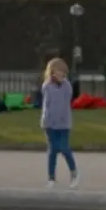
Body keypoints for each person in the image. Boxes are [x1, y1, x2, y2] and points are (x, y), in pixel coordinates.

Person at [40, 58, 79, 189]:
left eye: (63, 72)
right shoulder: (47, 87)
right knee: (52, 151)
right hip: (50, 124)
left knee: (64, 148)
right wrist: (45, 121)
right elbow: (46, 105)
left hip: (63, 124)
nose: (62, 74)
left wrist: (62, 82)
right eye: (59, 71)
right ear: (52, 72)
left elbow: (67, 98)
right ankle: (51, 177)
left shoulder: (67, 86)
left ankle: (74, 173)